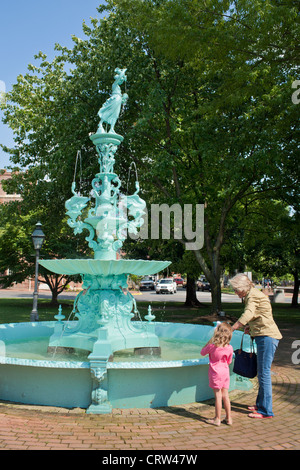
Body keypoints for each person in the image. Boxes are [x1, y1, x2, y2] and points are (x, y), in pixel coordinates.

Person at [230, 273, 282, 419]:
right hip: (264, 336)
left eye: (236, 290)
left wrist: (233, 328)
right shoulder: (252, 294)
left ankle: (266, 411)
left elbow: (248, 314)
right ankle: (260, 405)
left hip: (267, 337)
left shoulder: (252, 296)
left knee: (264, 373)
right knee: (262, 372)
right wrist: (250, 328)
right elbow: (260, 316)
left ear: (242, 288)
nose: (235, 293)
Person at [201, 322, 233, 426]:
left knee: (218, 396)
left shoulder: (212, 346)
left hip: (215, 373)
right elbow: (229, 362)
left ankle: (217, 419)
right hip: (225, 372)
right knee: (226, 396)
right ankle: (229, 419)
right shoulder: (229, 348)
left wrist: (209, 341)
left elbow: (202, 352)